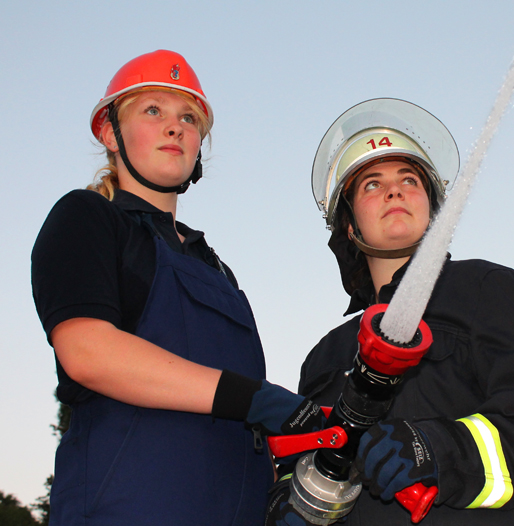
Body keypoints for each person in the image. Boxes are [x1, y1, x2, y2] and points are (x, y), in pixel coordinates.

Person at [31, 50, 324, 526]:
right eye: (153, 111)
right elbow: (88, 352)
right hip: (127, 510)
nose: (175, 127)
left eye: (188, 117)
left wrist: (284, 481)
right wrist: (257, 399)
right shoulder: (87, 219)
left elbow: (245, 423)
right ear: (110, 133)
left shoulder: (217, 267)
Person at [268, 99, 514, 525]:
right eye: (371, 184)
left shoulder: (487, 289)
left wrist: (436, 449)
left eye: (409, 179)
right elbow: (307, 464)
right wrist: (288, 494)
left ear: (434, 210)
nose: (394, 190)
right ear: (350, 225)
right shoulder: (325, 356)